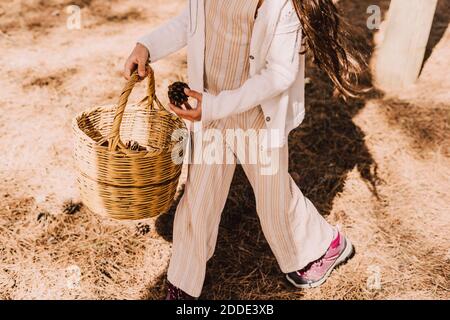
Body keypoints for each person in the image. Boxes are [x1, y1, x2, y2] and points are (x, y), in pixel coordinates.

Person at [124, 0, 365, 300]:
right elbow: (191, 22)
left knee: (274, 199)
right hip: (208, 107)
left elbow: (279, 74)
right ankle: (183, 280)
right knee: (198, 197)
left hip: (254, 116)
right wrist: (147, 46)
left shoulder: (283, 6)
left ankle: (321, 248)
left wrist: (216, 107)